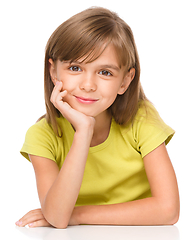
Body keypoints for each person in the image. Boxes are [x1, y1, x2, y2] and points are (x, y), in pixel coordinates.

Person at [15, 7, 180, 228]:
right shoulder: (42, 136)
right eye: (75, 68)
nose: (88, 85)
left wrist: (77, 215)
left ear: (125, 81)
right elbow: (57, 217)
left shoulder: (142, 120)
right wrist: (83, 131)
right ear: (54, 72)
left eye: (105, 72)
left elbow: (168, 211)